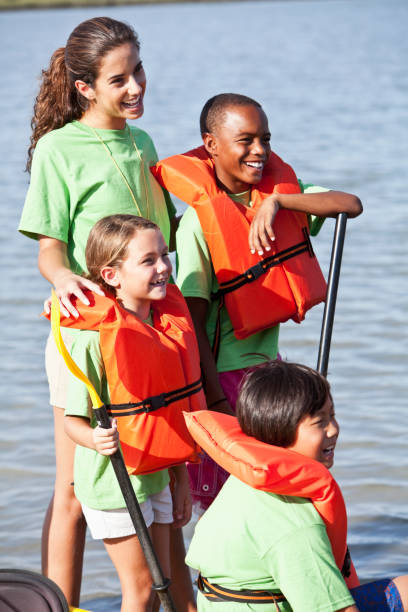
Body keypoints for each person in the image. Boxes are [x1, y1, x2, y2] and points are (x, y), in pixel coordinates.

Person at [18, 17, 193, 609]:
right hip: (88, 329)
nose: (136, 86)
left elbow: (161, 239)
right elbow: (49, 247)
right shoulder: (56, 147)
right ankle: (58, 603)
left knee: (159, 467)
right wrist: (64, 277)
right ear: (86, 87)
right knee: (73, 485)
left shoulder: (142, 144)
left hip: (148, 331)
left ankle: (174, 601)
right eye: (119, 79)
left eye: (138, 71)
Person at [152, 92, 363, 511]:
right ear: (211, 145)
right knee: (238, 501)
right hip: (227, 382)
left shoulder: (280, 196)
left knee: (283, 491)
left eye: (265, 139)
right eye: (245, 140)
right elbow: (192, 324)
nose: (259, 151)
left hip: (268, 375)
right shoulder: (198, 222)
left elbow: (350, 204)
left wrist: (278, 201)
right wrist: (215, 403)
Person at [54, 214, 206, 612]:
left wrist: (180, 479)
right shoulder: (95, 338)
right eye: (149, 260)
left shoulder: (163, 327)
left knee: (162, 583)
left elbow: (168, 414)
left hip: (154, 477)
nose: (164, 268)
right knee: (141, 589)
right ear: (112, 275)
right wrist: (94, 438)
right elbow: (73, 420)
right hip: (112, 484)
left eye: (165, 256)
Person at [186, 361, 408, 611]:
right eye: (319, 422)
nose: (334, 429)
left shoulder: (247, 478)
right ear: (280, 430)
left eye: (332, 415)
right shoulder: (295, 524)